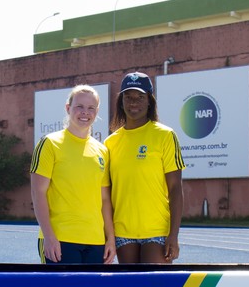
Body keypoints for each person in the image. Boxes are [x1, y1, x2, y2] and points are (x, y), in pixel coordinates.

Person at [30, 85, 116, 264]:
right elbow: (38, 193)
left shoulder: (102, 151)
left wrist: (110, 239)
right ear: (68, 108)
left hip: (95, 241)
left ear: (97, 112)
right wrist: (49, 236)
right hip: (60, 240)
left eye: (91, 108)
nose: (85, 112)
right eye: (80, 106)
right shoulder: (49, 144)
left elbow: (105, 200)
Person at [105, 72, 185, 263]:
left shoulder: (165, 135)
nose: (134, 102)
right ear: (121, 101)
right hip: (123, 232)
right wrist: (108, 234)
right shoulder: (110, 143)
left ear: (149, 101)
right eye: (128, 97)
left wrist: (173, 235)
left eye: (140, 97)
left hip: (156, 231)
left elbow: (175, 189)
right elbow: (106, 195)